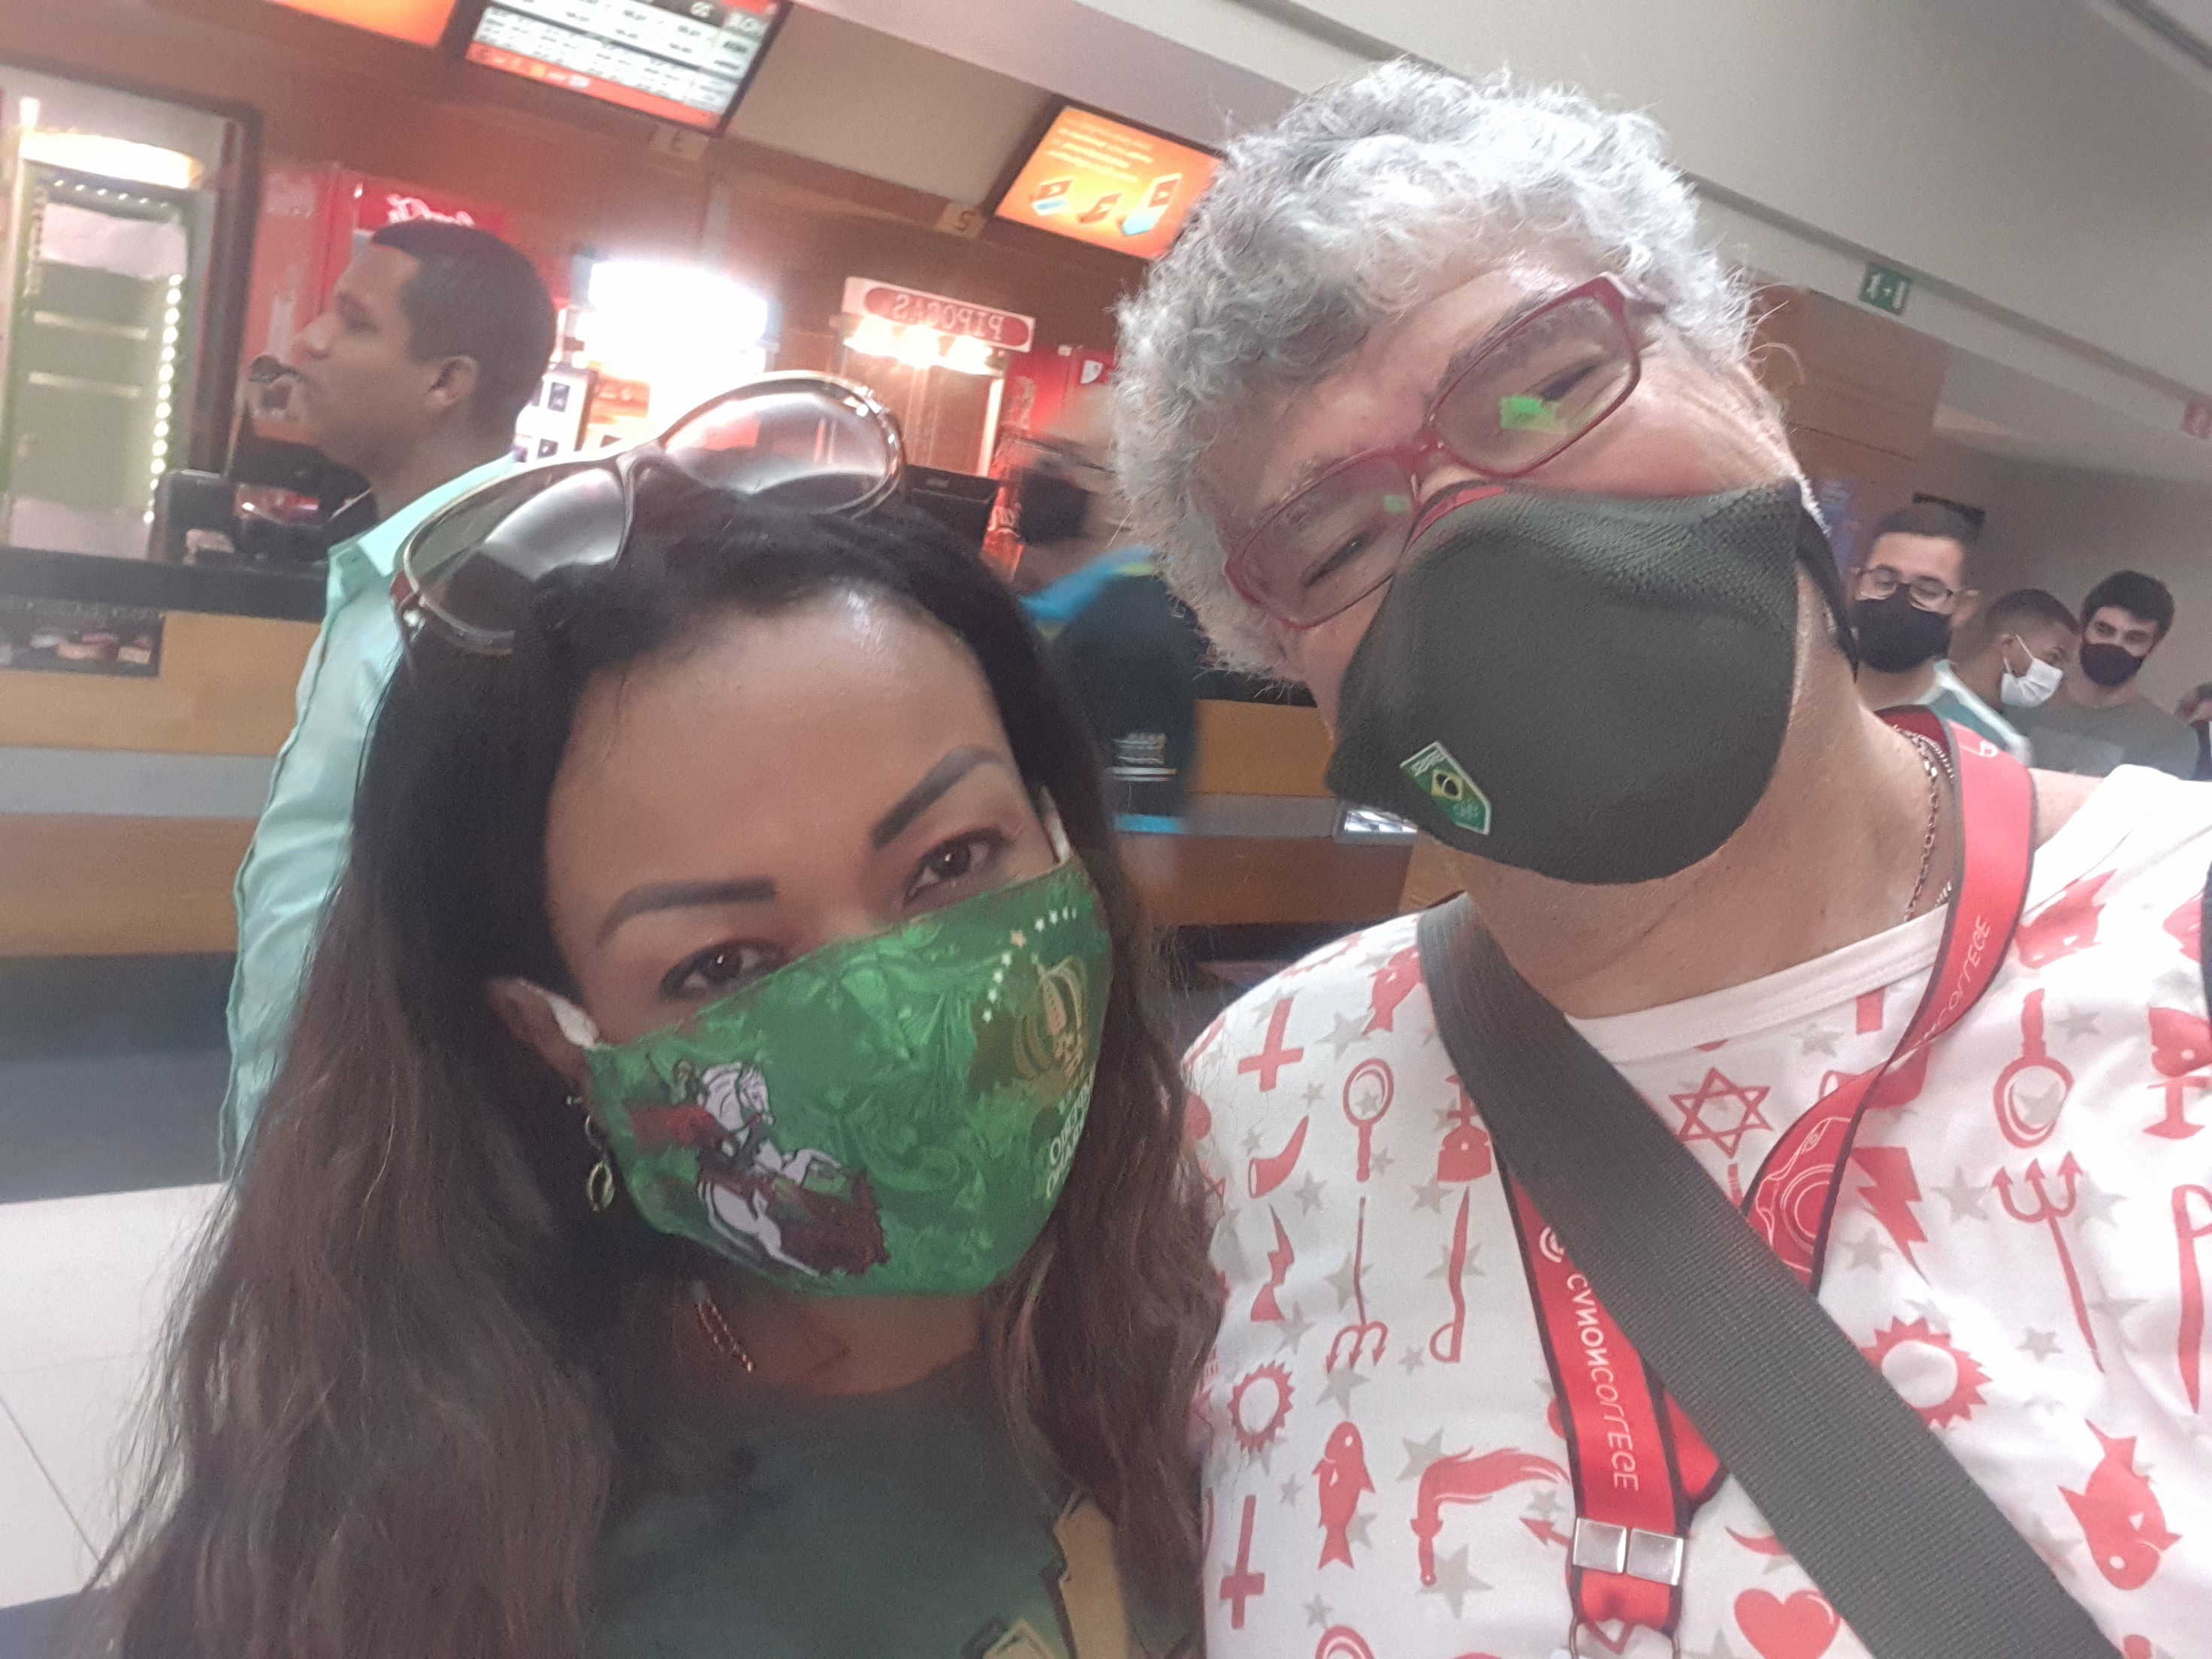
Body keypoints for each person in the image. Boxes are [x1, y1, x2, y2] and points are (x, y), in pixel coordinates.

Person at [1115, 60, 2207, 1656]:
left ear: (1743, 373)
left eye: (1545, 387)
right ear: (1288, 662)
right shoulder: (1255, 1108)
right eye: (1338, 542)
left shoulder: (2173, 941)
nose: (1478, 535)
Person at [92, 449, 1216, 1657]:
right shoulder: (444, 1573)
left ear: (1056, 831)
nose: (896, 1023)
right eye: (723, 964)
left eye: (951, 861)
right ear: (551, 1037)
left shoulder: (1249, 1298)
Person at [220, 220, 557, 1168]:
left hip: (373, 1145)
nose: (309, 341)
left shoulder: (483, 603)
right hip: (299, 1115)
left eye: (353, 320)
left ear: (445, 381)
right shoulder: (388, 571)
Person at [1011, 432, 1206, 818]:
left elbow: (1142, 824)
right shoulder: (1047, 615)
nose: (1038, 473)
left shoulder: (1131, 639)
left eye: (1061, 459)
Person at [2018, 570, 2201, 778]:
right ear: (2083, 627)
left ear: (2153, 645)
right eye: (2104, 630)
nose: (2115, 645)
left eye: (2134, 638)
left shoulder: (2171, 739)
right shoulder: (2022, 703)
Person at [1935, 586, 2082, 766]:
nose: (2058, 673)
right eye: (2053, 658)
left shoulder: (2008, 744)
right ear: (2008, 644)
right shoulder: (1918, 685)